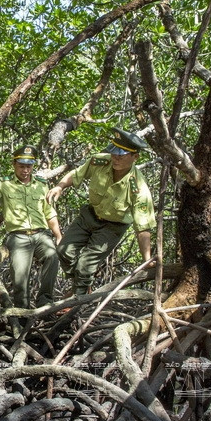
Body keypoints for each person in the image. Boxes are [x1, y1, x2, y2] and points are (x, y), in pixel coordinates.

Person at [46, 127, 155, 296]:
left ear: (135, 157)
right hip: (89, 216)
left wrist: (146, 258)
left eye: (121, 155)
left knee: (85, 266)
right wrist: (60, 186)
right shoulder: (99, 162)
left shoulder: (138, 188)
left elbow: (143, 227)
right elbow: (76, 174)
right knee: (64, 251)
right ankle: (81, 284)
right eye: (114, 152)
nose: (115, 158)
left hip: (112, 227)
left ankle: (77, 301)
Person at [0, 145, 63, 308]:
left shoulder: (41, 185)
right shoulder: (4, 184)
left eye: (29, 166)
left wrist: (58, 235)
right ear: (14, 164)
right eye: (21, 166)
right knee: (20, 276)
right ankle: (22, 312)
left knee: (52, 256)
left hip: (41, 234)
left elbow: (49, 212)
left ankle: (45, 302)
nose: (25, 170)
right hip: (18, 236)